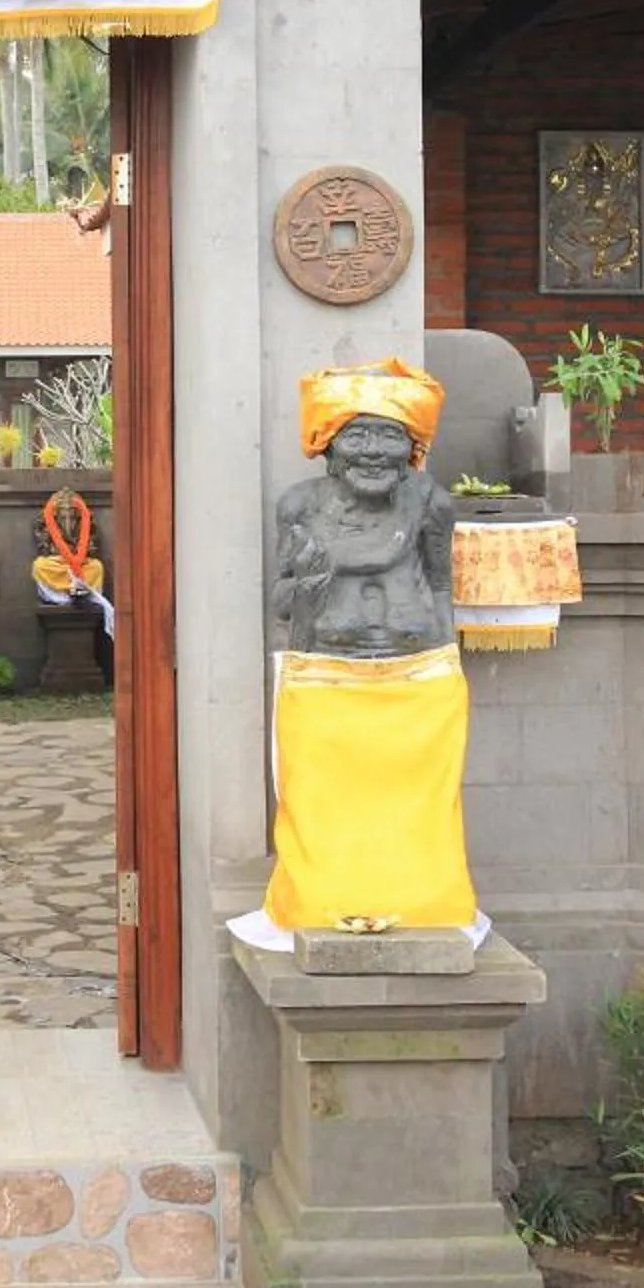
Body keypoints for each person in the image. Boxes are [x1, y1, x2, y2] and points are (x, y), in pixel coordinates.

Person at [230, 358, 489, 952]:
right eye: (358, 434)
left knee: (421, 808)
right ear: (327, 446)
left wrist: (447, 659)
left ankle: (430, 901)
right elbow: (280, 600)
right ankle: (317, 901)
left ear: (413, 447)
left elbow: (443, 583)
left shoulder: (430, 503)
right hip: (325, 672)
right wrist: (309, 587)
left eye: (389, 434)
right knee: (322, 806)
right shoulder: (300, 507)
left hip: (418, 673)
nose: (373, 451)